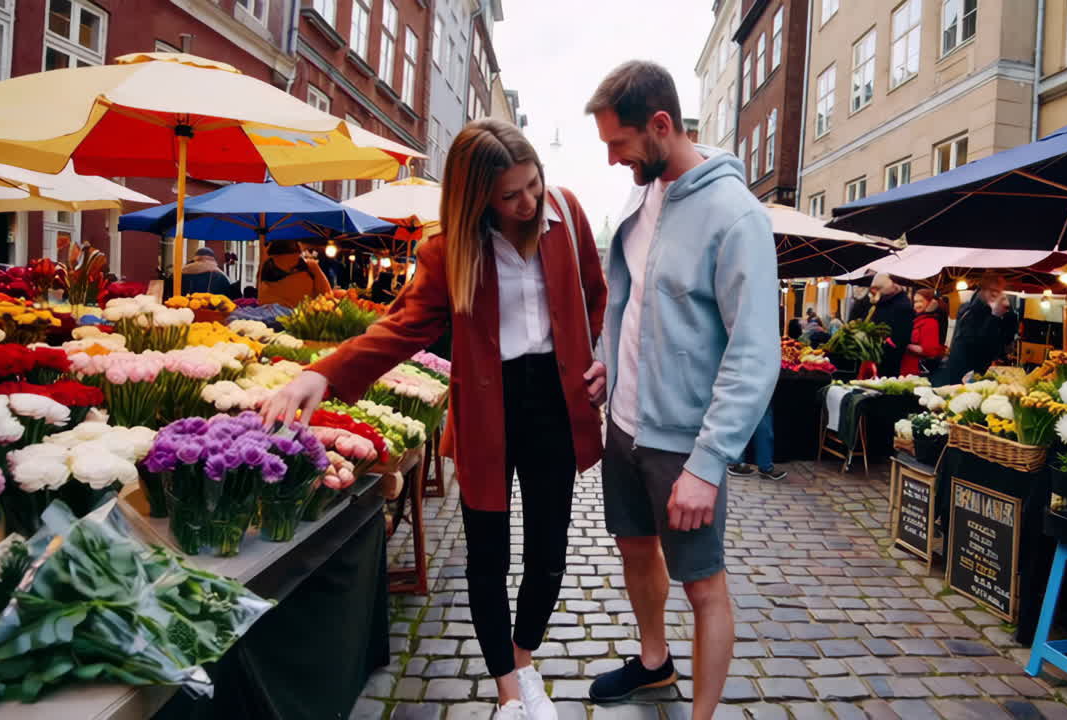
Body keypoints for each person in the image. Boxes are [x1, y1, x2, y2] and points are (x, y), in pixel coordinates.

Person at [261, 119, 607, 720]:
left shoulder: (567, 215)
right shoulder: (448, 250)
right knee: (487, 556)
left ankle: (524, 662)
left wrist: (595, 356)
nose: (528, 203)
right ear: (478, 198)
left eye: (533, 185)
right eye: (510, 195)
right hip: (485, 409)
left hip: (555, 402)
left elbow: (596, 295)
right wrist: (321, 372)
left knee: (550, 551)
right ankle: (506, 692)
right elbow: (403, 326)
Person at [584, 61, 780, 720]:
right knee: (635, 550)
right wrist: (608, 360)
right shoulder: (642, 202)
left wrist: (709, 461)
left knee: (704, 587)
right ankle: (652, 662)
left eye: (620, 144)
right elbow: (632, 304)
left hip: (684, 445)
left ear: (661, 125)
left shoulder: (735, 215)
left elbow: (756, 354)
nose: (613, 160)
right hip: (626, 427)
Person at [939, 273, 1011, 384]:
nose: (997, 295)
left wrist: (1003, 316)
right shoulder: (971, 311)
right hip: (964, 374)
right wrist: (995, 316)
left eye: (999, 291)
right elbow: (974, 343)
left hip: (973, 372)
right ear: (983, 290)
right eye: (994, 291)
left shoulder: (984, 308)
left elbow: (1002, 340)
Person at [257, 239, 332, 308]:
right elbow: (327, 295)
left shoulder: (265, 265)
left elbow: (260, 298)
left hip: (266, 318)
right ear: (298, 246)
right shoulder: (310, 266)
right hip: (296, 319)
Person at [868, 273, 914, 377]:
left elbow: (902, 337)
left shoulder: (902, 306)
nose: (875, 293)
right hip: (876, 353)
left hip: (889, 356)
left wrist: (887, 345)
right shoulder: (883, 301)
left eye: (878, 289)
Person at [900, 288, 946, 376]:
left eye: (920, 301)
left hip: (915, 370)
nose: (916, 305)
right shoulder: (918, 318)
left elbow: (929, 350)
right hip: (907, 368)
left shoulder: (931, 322)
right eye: (915, 301)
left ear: (931, 302)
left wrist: (904, 344)